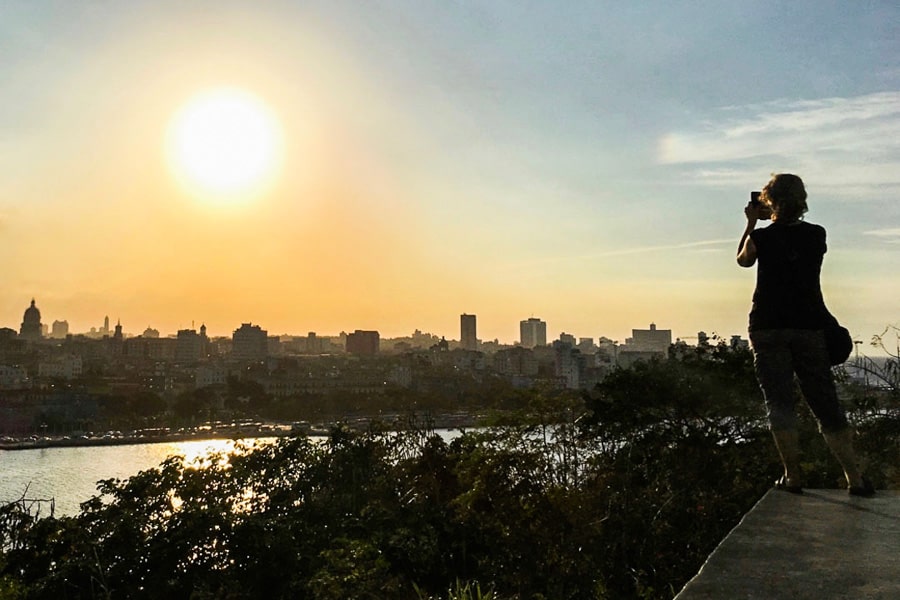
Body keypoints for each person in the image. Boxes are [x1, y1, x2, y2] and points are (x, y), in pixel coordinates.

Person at [736, 173, 874, 496]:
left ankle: (793, 477)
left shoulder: (764, 238)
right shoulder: (816, 236)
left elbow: (743, 260)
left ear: (770, 201)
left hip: (768, 327)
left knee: (780, 402)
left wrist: (751, 224)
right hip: (809, 326)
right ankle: (854, 478)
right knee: (825, 402)